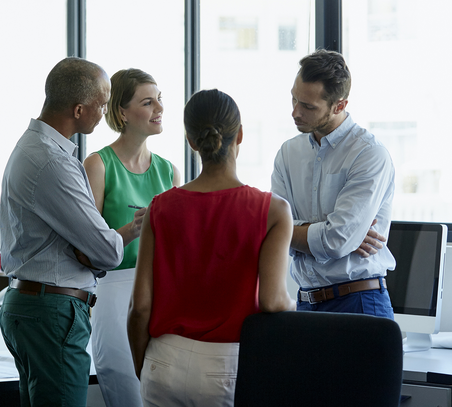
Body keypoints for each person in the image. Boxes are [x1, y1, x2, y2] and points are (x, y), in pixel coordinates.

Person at [127, 89, 295, 407]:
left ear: (191, 141)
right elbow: (273, 301)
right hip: (227, 364)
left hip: (164, 359)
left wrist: (145, 365)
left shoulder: (159, 208)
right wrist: (296, 310)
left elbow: (140, 307)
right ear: (241, 135)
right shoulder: (273, 210)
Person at [0, 56, 142, 407]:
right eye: (102, 104)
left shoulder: (30, 146)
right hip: (52, 311)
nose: (104, 112)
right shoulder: (53, 161)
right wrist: (135, 228)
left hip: (30, 304)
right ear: (79, 110)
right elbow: (105, 250)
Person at [271, 49, 396, 316]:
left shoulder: (369, 154)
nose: (295, 112)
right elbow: (270, 228)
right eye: (294, 99)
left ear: (339, 105)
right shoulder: (288, 153)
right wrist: (337, 234)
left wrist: (289, 231)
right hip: (305, 302)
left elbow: (336, 240)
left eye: (308, 106)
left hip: (359, 302)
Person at [83, 68, 180, 407]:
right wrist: (133, 229)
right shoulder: (97, 165)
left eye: (160, 101)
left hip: (164, 295)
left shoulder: (169, 170)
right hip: (114, 293)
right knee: (127, 394)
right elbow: (88, 249)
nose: (159, 109)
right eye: (148, 102)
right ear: (122, 112)